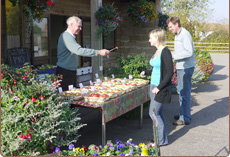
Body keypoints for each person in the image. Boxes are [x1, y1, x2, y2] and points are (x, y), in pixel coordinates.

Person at [56, 16, 110, 91]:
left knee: (72, 94)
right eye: (79, 26)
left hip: (70, 71)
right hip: (65, 72)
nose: (80, 29)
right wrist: (98, 52)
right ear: (71, 24)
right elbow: (79, 50)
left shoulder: (71, 37)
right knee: (66, 96)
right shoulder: (66, 36)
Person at [140, 28, 173, 146]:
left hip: (159, 87)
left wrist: (159, 88)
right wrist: (146, 72)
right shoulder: (157, 51)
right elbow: (156, 69)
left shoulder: (165, 51)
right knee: (159, 113)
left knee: (153, 113)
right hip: (153, 85)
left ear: (157, 38)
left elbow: (169, 73)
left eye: (151, 38)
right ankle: (162, 139)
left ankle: (161, 141)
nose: (149, 40)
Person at [166, 16, 196, 125]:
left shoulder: (185, 34)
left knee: (184, 92)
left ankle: (184, 118)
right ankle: (183, 114)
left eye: (170, 27)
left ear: (176, 24)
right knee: (181, 91)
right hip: (181, 67)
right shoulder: (178, 34)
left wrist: (174, 55)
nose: (169, 29)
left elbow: (189, 52)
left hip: (186, 68)